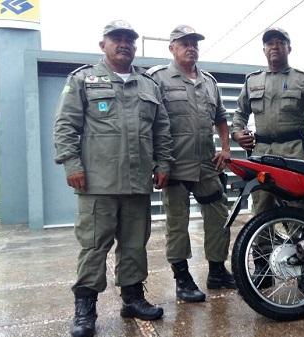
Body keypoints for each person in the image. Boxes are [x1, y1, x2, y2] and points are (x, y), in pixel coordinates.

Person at [53, 20, 173, 337]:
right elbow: (66, 125)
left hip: (137, 183)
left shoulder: (148, 85)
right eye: (116, 39)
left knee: (135, 245)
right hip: (97, 183)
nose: (124, 44)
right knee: (93, 247)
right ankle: (85, 309)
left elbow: (161, 130)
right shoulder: (83, 80)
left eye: (129, 40)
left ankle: (133, 298)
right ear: (103, 45)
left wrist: (163, 163)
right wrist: (71, 164)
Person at [231, 28, 304, 292]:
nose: (274, 47)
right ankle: (263, 268)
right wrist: (237, 133)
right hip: (262, 154)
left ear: (289, 48)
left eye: (280, 43)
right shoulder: (252, 81)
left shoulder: (303, 80)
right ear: (263, 50)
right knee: (261, 210)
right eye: (269, 44)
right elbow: (238, 115)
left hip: (295, 154)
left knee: (299, 212)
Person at [146, 24, 235, 304]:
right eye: (184, 43)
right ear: (172, 47)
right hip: (174, 167)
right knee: (177, 224)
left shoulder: (209, 82)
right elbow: (148, 122)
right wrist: (156, 163)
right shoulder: (158, 79)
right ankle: (182, 278)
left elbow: (221, 116)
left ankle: (217, 271)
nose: (191, 47)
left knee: (218, 216)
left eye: (194, 43)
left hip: (206, 166)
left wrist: (225, 147)